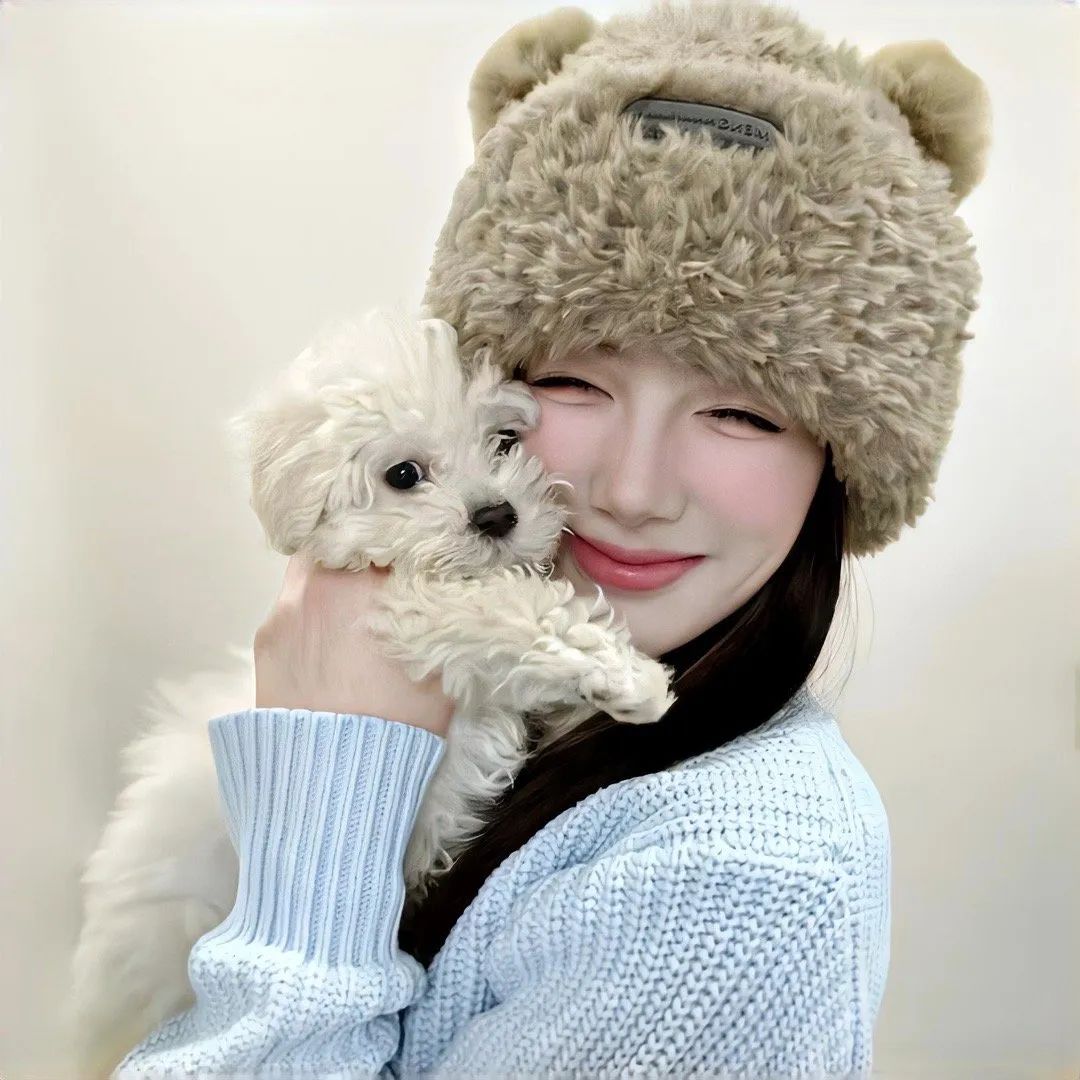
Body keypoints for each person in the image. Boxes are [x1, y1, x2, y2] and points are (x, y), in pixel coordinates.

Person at [113, 0, 990, 1076]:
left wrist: (324, 807)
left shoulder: (740, 878)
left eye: (742, 412)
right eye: (573, 382)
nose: (631, 490)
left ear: (843, 464)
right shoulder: (514, 712)